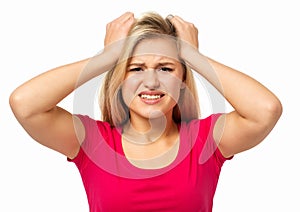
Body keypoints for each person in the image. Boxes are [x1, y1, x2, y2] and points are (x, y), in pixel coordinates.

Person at [9, 11, 282, 212]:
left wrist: (195, 56)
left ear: (182, 80)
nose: (151, 82)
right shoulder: (94, 142)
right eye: (136, 68)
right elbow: (25, 104)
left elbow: (265, 110)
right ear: (119, 78)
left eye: (166, 68)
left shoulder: (204, 141)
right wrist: (106, 56)